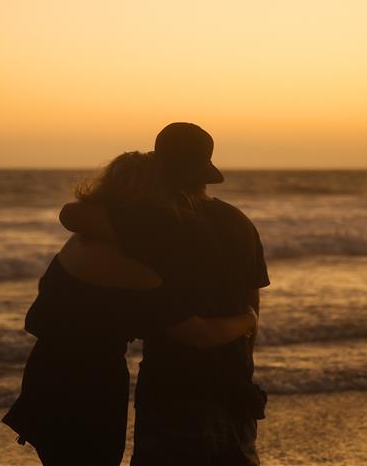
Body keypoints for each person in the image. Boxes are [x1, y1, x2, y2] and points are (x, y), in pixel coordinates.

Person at [2, 151, 259, 466]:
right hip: (89, 386)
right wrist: (247, 320)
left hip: (46, 373)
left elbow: (69, 220)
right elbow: (199, 335)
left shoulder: (82, 241)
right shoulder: (134, 270)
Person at [61, 123, 270, 466]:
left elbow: (73, 215)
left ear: (160, 167)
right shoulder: (239, 222)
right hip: (234, 376)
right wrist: (243, 359)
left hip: (174, 380)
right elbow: (252, 303)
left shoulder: (160, 221)